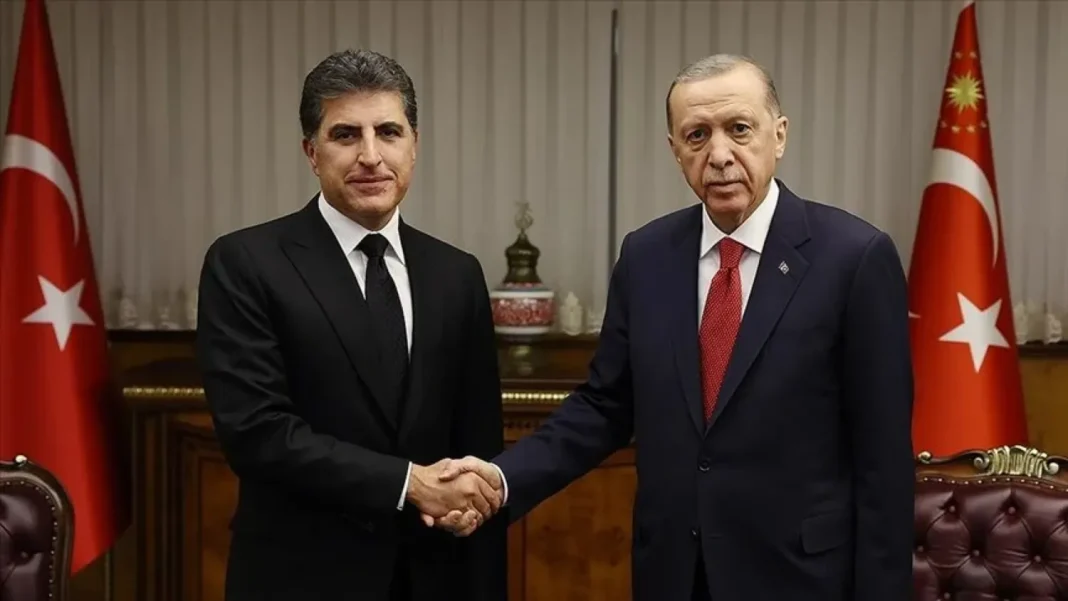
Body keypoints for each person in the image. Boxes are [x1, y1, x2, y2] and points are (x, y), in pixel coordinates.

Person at [434, 54, 914, 601]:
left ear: (779, 135)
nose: (719, 155)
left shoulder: (854, 258)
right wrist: (501, 480)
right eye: (697, 135)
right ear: (675, 150)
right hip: (674, 574)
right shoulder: (647, 256)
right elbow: (604, 406)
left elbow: (883, 463)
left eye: (739, 129)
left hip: (801, 578)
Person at [195, 49, 506, 601]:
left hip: (435, 575)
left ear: (414, 145)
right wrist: (409, 484)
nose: (370, 155)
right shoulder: (246, 262)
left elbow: (478, 440)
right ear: (311, 153)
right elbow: (257, 433)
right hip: (300, 579)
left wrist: (469, 507)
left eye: (388, 132)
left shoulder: (457, 273)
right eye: (345, 135)